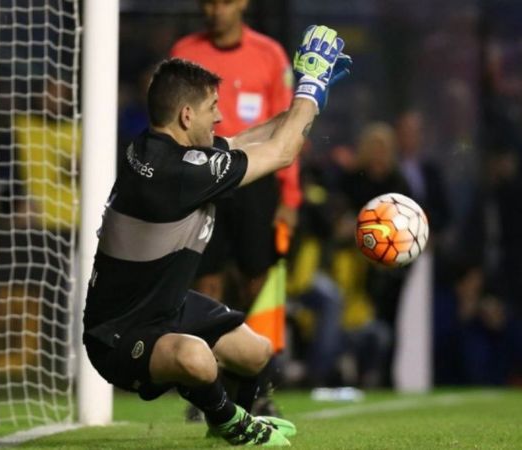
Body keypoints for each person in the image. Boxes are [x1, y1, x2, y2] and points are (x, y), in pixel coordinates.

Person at [82, 26, 348, 446]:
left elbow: (244, 139)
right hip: (119, 334)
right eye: (212, 107)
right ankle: (231, 424)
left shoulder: (162, 151)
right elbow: (280, 152)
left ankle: (235, 413)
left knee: (257, 352)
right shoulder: (178, 175)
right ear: (187, 116)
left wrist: (309, 104)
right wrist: (309, 87)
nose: (219, 117)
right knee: (198, 359)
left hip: (166, 306)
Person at [170, 0, 302, 416]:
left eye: (224, 1)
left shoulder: (270, 55)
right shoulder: (185, 51)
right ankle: (207, 387)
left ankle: (257, 387)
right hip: (202, 180)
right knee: (204, 285)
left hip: (256, 184)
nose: (215, 10)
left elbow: (289, 127)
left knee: (256, 284)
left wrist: (290, 197)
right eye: (207, 2)